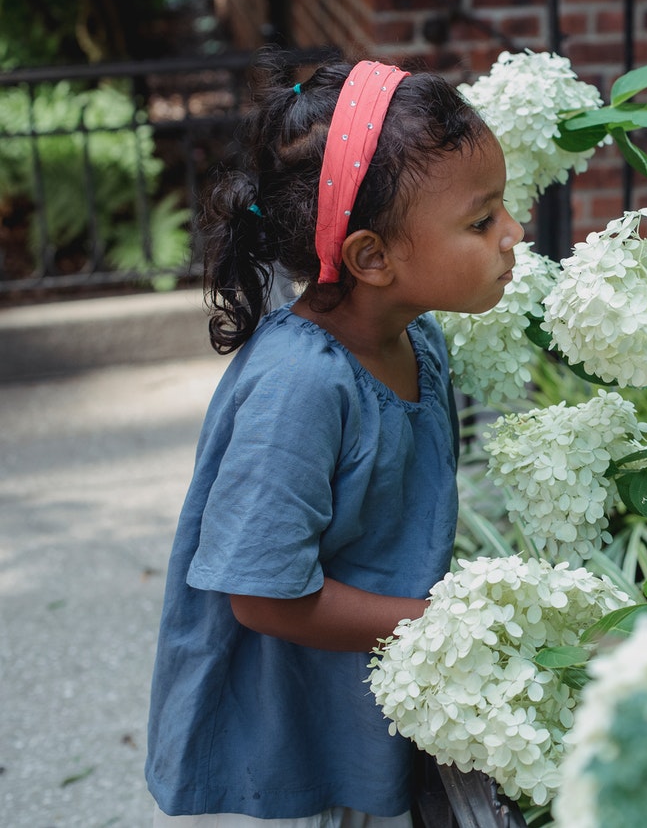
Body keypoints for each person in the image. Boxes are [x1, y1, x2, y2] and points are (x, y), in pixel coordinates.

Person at [145, 53, 524, 827]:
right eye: (482, 221)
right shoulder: (300, 387)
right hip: (292, 727)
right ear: (371, 257)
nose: (515, 233)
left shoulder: (419, 342)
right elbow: (260, 594)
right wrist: (437, 623)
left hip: (372, 688)